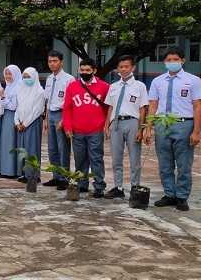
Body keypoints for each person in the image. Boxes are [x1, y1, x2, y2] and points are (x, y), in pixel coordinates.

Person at [144, 47, 201, 212]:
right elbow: (153, 104)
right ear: (164, 62)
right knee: (164, 163)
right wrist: (149, 127)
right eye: (168, 60)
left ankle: (182, 197)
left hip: (184, 124)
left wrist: (196, 131)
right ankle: (169, 194)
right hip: (162, 124)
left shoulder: (193, 80)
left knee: (184, 164)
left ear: (182, 61)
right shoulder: (157, 81)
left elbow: (197, 106)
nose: (172, 63)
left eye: (175, 59)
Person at [62, 59, 110, 198]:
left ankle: (99, 186)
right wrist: (68, 127)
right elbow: (67, 108)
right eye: (82, 70)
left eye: (87, 70)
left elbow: (108, 108)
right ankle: (82, 184)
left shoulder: (104, 87)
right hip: (77, 131)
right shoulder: (72, 86)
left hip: (96, 130)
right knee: (80, 159)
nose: (84, 73)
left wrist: (106, 126)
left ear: (94, 71)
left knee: (96, 158)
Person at [103, 55, 148, 199]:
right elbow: (110, 107)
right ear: (117, 69)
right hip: (115, 123)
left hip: (132, 123)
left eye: (126, 66)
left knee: (135, 158)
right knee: (116, 158)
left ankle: (135, 187)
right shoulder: (113, 86)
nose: (123, 69)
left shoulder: (140, 86)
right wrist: (106, 125)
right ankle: (118, 187)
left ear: (133, 67)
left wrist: (141, 129)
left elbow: (143, 109)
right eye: (120, 67)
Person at [43, 50, 75, 189]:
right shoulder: (50, 79)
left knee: (63, 148)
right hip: (51, 114)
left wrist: (65, 120)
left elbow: (71, 102)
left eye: (55, 61)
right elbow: (47, 100)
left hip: (62, 114)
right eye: (50, 61)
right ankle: (55, 176)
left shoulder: (69, 79)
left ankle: (64, 178)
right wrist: (45, 118)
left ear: (61, 62)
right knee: (52, 148)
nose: (52, 64)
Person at [15, 68, 45, 183]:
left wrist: (25, 123)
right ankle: (24, 173)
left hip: (32, 123)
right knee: (23, 149)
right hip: (21, 124)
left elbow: (37, 110)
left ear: (34, 77)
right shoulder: (21, 90)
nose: (26, 79)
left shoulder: (39, 92)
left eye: (29, 77)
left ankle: (33, 175)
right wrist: (17, 122)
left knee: (32, 149)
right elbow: (18, 108)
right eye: (25, 77)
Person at [0, 65, 22, 179]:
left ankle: (11, 170)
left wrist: (3, 98)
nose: (7, 76)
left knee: (11, 142)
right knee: (6, 142)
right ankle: (5, 169)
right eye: (6, 74)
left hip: (12, 116)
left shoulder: (18, 87)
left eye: (10, 74)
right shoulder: (8, 86)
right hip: (6, 115)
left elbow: (13, 106)